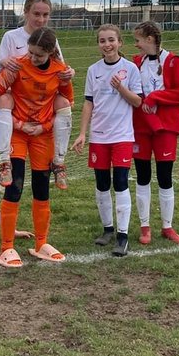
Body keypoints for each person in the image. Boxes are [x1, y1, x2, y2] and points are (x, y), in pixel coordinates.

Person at [0, 27, 74, 266]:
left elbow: (68, 101)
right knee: (14, 186)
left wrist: (43, 127)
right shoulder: (17, 65)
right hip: (18, 133)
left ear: (50, 52)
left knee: (41, 188)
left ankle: (41, 243)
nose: (33, 58)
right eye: (31, 52)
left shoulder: (59, 71)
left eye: (39, 55)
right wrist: (20, 124)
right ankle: (6, 247)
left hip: (42, 135)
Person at [72, 24, 144, 257]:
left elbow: (137, 102)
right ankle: (108, 229)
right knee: (102, 184)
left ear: (120, 42)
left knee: (120, 182)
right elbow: (88, 103)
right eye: (102, 41)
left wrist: (121, 88)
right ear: (98, 44)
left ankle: (123, 236)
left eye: (111, 40)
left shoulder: (131, 68)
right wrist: (83, 133)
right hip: (99, 137)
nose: (107, 44)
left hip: (122, 135)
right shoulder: (94, 70)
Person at [0, 0, 74, 190]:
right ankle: (5, 162)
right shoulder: (11, 37)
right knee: (4, 98)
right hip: (19, 103)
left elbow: (59, 69)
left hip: (43, 104)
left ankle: (59, 162)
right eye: (36, 13)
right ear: (26, 12)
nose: (41, 19)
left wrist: (69, 73)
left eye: (45, 15)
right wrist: (3, 63)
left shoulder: (50, 41)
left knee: (64, 104)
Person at [130, 21, 179, 245]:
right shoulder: (136, 63)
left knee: (165, 177)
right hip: (141, 127)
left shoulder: (173, 62)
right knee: (142, 176)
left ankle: (167, 226)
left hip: (166, 126)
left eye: (137, 40)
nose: (135, 45)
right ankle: (145, 227)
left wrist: (156, 97)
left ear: (149, 40)